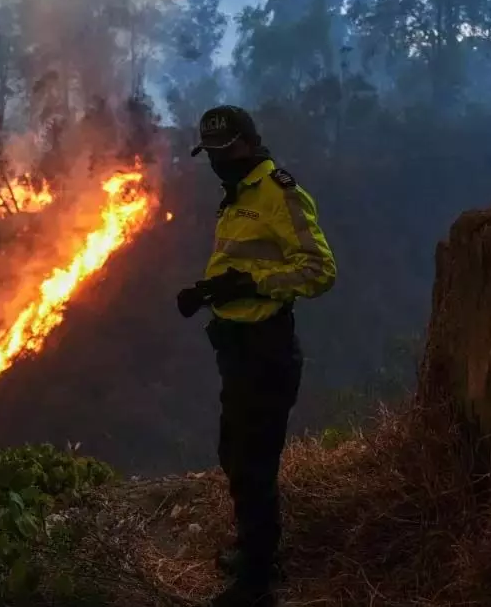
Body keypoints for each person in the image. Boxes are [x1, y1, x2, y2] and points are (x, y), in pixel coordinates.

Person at [176, 105, 337, 606]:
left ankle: (257, 580)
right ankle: (254, 549)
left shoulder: (278, 194)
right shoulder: (236, 196)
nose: (216, 161)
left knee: (254, 462)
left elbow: (318, 270)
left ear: (247, 143)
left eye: (224, 151)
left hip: (267, 350)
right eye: (210, 154)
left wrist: (252, 283)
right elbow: (241, 263)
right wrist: (209, 292)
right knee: (234, 453)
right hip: (237, 349)